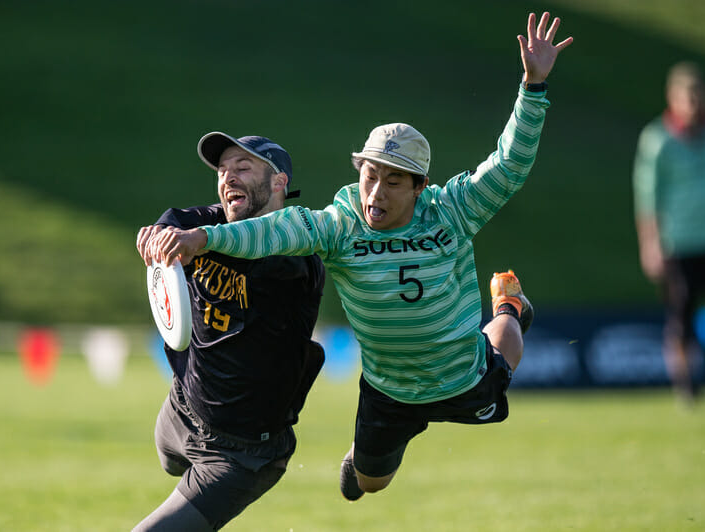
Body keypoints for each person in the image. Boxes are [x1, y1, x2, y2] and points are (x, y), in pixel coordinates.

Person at [146, 11, 572, 501]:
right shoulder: (339, 226)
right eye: (370, 175)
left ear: (419, 187)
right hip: (389, 391)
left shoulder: (454, 211)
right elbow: (275, 230)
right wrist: (204, 238)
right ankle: (370, 459)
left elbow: (510, 164)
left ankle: (509, 307)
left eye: (393, 181)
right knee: (364, 485)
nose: (377, 192)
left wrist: (533, 87)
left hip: (460, 374)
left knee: (502, 357)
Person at [133, 133, 326, 530]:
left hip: (242, 453)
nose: (228, 178)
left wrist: (196, 241)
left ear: (278, 182)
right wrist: (159, 234)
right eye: (222, 171)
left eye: (242, 168)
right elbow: (178, 219)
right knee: (169, 461)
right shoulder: (213, 221)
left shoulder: (296, 256)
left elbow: (250, 245)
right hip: (183, 407)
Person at [633, 61, 705, 404]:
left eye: (697, 95)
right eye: (685, 96)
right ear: (672, 98)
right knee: (682, 321)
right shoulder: (658, 140)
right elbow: (648, 198)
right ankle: (687, 387)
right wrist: (651, 244)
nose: (692, 103)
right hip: (680, 243)